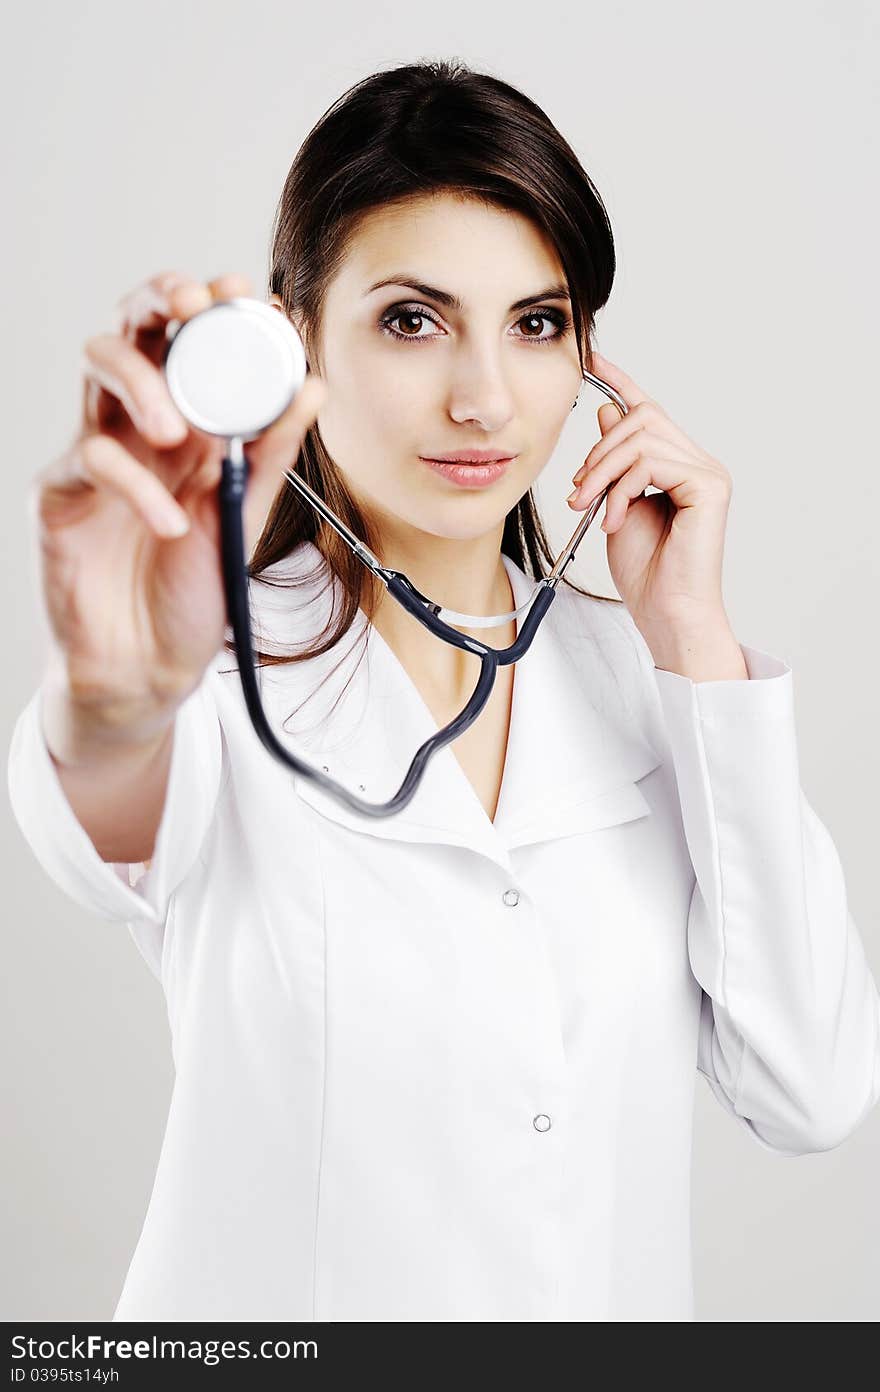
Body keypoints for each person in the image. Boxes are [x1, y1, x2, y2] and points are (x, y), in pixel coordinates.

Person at [7, 58, 880, 1324]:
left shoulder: (646, 677)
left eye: (536, 324)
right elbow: (96, 819)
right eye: (412, 320)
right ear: (294, 337)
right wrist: (111, 696)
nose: (483, 400)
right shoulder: (199, 659)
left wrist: (694, 637)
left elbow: (810, 1087)